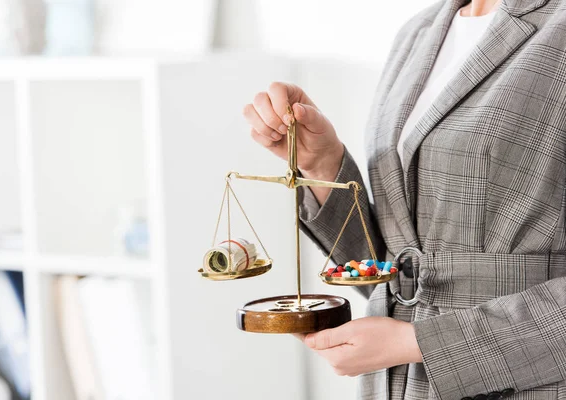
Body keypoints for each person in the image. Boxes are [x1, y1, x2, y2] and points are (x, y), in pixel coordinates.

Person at [242, 0, 566, 399]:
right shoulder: (420, 31)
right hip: (397, 384)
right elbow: (401, 266)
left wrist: (420, 343)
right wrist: (322, 164)